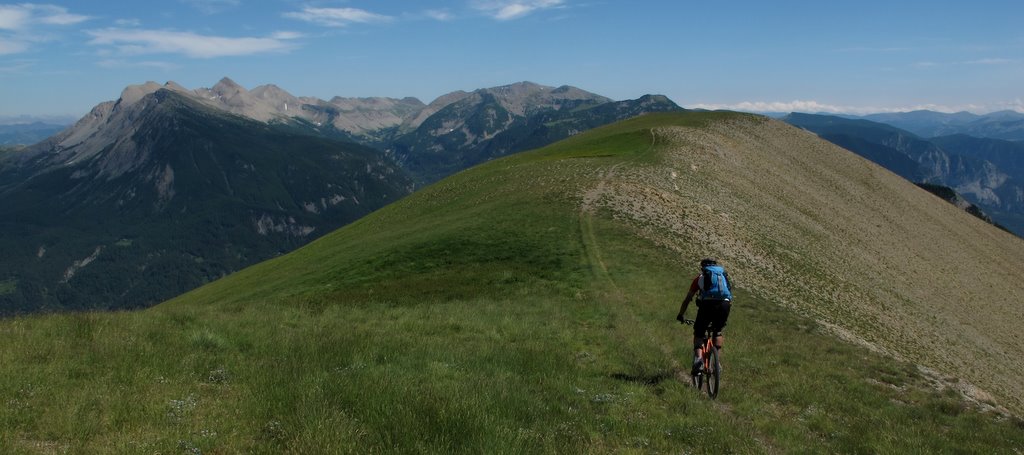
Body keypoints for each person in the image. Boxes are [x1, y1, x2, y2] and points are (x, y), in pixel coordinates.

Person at [676, 258, 733, 375]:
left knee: (699, 332)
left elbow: (688, 299)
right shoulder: (723, 277)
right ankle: (717, 363)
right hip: (725, 305)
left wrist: (681, 314)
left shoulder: (700, 278)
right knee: (718, 331)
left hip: (707, 305)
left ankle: (698, 361)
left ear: (703, 267)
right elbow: (729, 297)